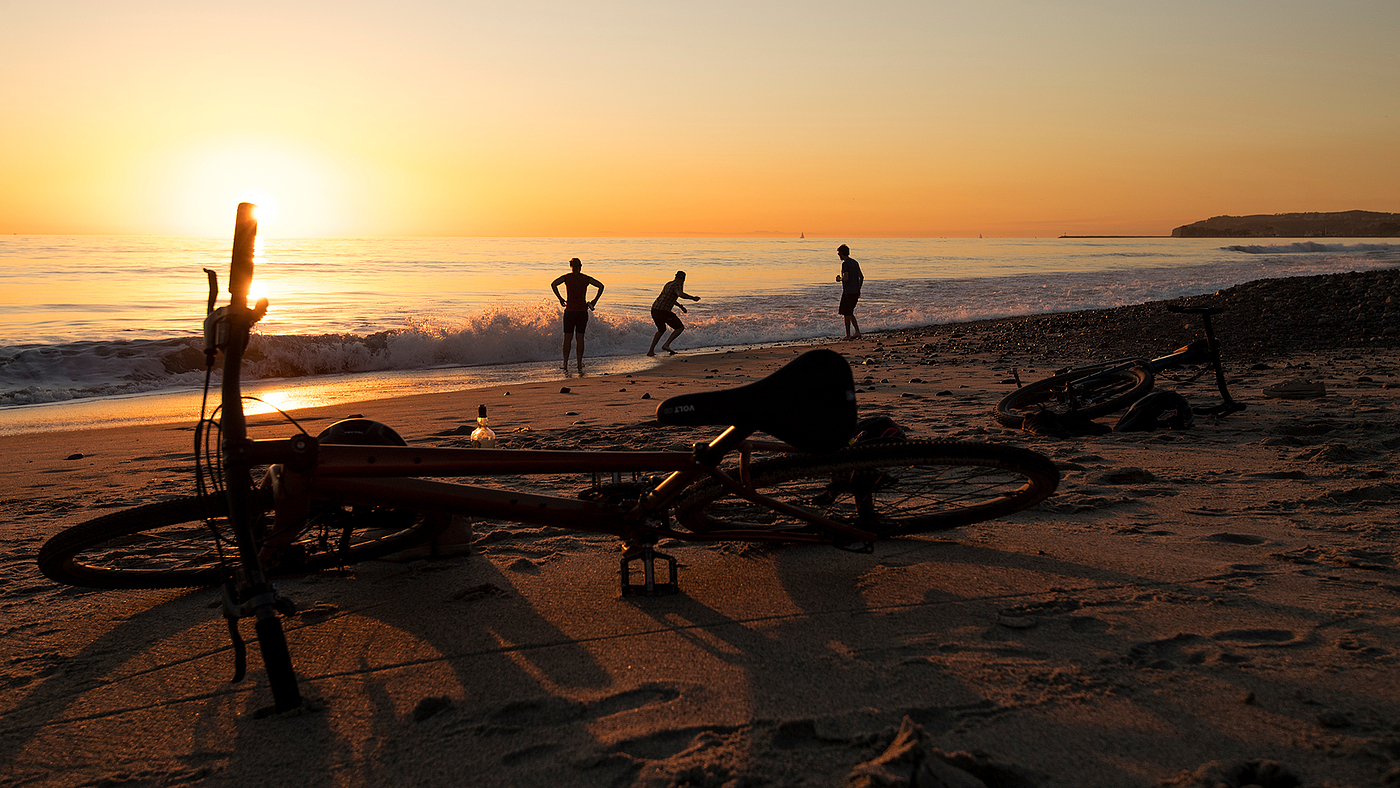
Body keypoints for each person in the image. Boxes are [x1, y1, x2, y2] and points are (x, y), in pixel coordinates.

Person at [550, 257, 604, 371]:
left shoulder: (567, 278)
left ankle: (565, 364)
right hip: (582, 312)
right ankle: (579, 363)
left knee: (567, 338)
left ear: (571, 266)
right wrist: (594, 301)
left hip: (570, 312)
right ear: (580, 266)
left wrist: (560, 298)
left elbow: (553, 284)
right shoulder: (585, 279)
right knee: (580, 338)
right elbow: (601, 286)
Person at [647, 270, 700, 356]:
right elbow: (680, 294)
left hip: (654, 309)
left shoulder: (669, 284)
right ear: (683, 279)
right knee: (680, 327)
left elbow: (669, 297)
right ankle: (666, 345)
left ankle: (650, 351)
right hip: (663, 311)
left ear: (675, 276)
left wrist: (680, 306)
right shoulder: (677, 285)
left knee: (661, 330)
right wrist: (692, 298)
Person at [836, 244, 863, 339]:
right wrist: (858, 289)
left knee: (846, 313)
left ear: (842, 253)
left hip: (848, 292)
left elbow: (846, 278)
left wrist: (839, 279)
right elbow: (861, 277)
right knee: (850, 312)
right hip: (855, 291)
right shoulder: (855, 262)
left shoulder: (845, 264)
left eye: (839, 253)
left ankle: (848, 334)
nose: (838, 255)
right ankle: (857, 332)